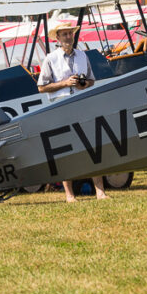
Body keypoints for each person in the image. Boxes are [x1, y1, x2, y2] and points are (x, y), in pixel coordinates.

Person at [36, 20, 108, 202]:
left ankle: (100, 192)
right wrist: (64, 84)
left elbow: (91, 80)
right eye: (64, 34)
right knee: (65, 149)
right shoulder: (51, 58)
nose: (68, 37)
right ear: (58, 38)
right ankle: (69, 195)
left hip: (82, 102)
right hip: (61, 105)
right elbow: (41, 87)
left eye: (70, 33)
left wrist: (84, 84)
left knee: (93, 146)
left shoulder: (83, 55)